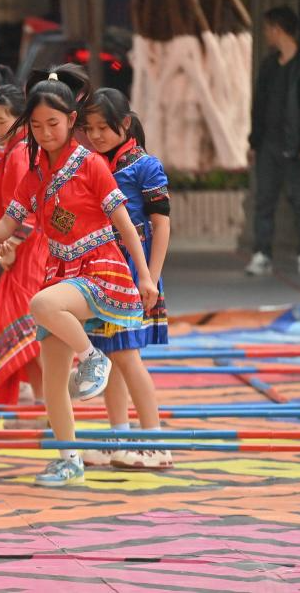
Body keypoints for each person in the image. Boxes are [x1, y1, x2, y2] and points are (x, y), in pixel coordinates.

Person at [0, 69, 157, 487]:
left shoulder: (91, 165)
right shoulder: (35, 173)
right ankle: (69, 459)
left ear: (72, 119)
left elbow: (125, 225)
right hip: (58, 271)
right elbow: (4, 227)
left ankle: (93, 358)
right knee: (53, 378)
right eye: (36, 126)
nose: (44, 133)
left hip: (100, 269)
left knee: (41, 304)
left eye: (53, 124)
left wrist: (145, 277)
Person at [81, 87, 172, 469]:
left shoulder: (146, 166)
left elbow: (161, 226)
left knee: (127, 357)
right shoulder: (92, 163)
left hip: (134, 274)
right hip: (103, 270)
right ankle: (119, 436)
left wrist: (150, 278)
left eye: (103, 127)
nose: (96, 135)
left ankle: (156, 443)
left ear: (125, 123)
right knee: (109, 354)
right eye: (89, 128)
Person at [0, 85, 46, 406]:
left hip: (29, 246)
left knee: (28, 322)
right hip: (7, 243)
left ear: (21, 120)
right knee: (25, 325)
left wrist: (9, 242)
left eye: (1, 121)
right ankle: (43, 400)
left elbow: (30, 208)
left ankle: (53, 398)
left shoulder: (23, 153)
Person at [245, 6, 300, 277]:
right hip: (269, 143)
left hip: (297, 145)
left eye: (268, 29)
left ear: (278, 29)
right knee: (264, 200)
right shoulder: (269, 66)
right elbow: (259, 107)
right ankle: (262, 254)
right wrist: (254, 142)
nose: (266, 34)